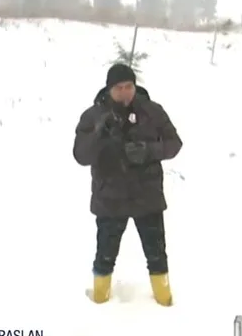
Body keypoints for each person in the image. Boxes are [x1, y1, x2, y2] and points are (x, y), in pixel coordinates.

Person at [72, 63, 183, 306]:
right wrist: (98, 135)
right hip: (109, 198)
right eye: (119, 88)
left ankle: (165, 302)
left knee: (157, 256)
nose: (125, 92)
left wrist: (148, 151)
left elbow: (174, 143)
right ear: (109, 89)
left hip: (148, 197)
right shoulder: (93, 116)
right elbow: (80, 155)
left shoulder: (152, 111)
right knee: (105, 256)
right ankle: (99, 301)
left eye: (129, 86)